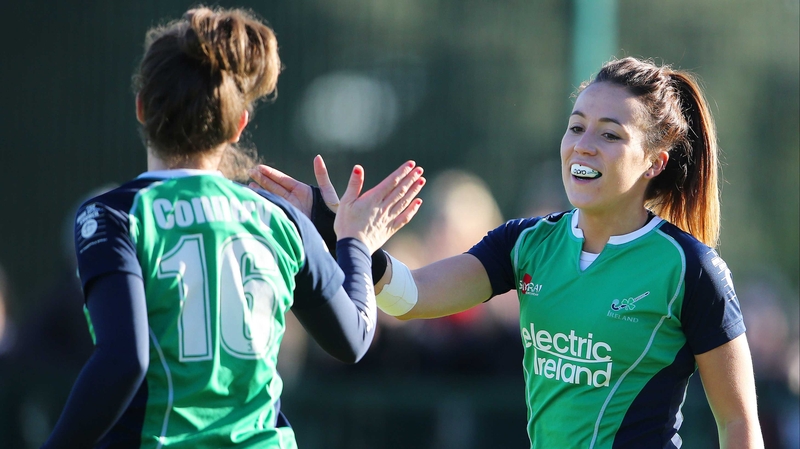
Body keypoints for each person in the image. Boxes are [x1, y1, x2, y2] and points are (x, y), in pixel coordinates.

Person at [249, 56, 765, 448]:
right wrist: (345, 235)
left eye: (610, 134)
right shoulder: (527, 242)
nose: (583, 145)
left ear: (655, 162)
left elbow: (739, 422)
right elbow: (409, 297)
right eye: (576, 126)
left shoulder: (690, 269)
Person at [42, 6, 425, 449]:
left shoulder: (113, 216)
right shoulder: (283, 220)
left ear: (142, 108)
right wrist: (354, 241)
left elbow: (125, 360)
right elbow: (354, 339)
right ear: (238, 124)